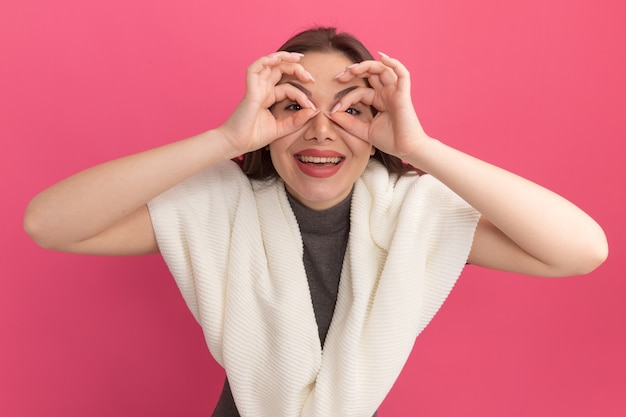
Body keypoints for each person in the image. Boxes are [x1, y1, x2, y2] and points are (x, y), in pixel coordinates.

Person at [23, 27, 607, 417]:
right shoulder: (218, 209)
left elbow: (581, 250)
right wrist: (227, 139)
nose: (323, 130)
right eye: (294, 107)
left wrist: (419, 147)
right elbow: (49, 223)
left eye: (353, 110)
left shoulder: (413, 216)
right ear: (266, 119)